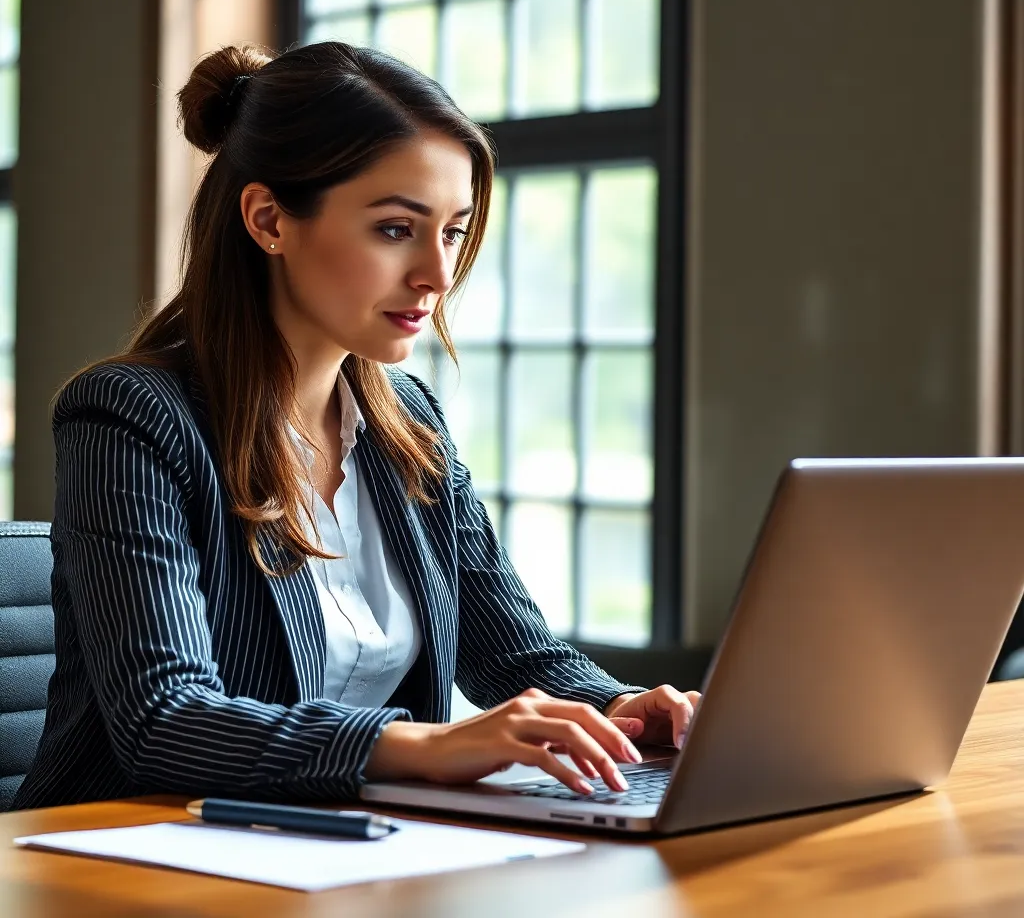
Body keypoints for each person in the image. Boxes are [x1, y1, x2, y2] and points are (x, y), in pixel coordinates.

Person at [14, 42, 701, 810]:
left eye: (451, 231)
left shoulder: (410, 423)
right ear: (270, 219)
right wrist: (429, 746)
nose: (437, 277)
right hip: (124, 855)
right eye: (396, 229)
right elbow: (165, 721)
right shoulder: (130, 417)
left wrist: (619, 710)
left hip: (349, 852)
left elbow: (510, 650)